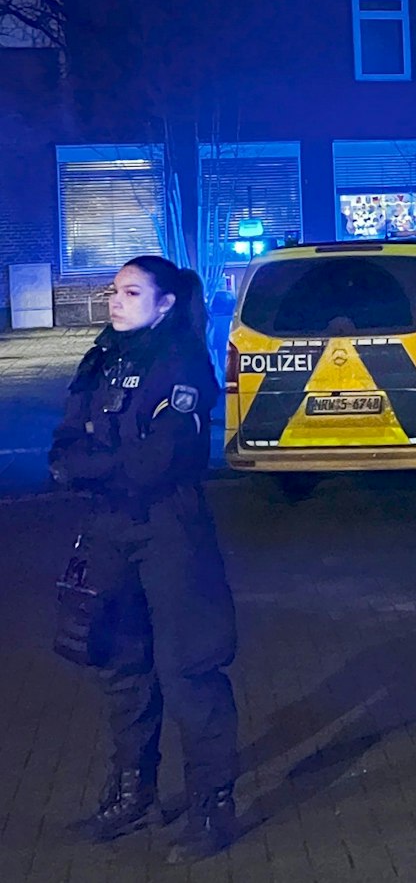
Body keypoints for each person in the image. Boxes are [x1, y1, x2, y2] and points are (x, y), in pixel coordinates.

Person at [51, 256, 237, 863]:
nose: (115, 300)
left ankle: (212, 805)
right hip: (108, 532)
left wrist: (93, 467)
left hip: (169, 528)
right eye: (113, 290)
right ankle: (132, 792)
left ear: (164, 304)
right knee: (121, 665)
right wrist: (92, 466)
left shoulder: (180, 363)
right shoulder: (101, 358)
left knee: (190, 667)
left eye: (132, 292)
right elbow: (62, 448)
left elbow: (159, 462)